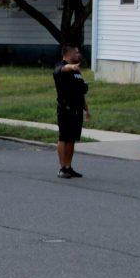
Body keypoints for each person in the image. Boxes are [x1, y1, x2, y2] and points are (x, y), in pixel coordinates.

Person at [53, 43, 91, 179]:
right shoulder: (60, 67)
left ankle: (69, 167)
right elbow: (63, 69)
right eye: (76, 52)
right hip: (65, 109)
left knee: (72, 139)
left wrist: (86, 109)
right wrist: (71, 66)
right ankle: (62, 168)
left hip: (77, 109)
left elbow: (81, 91)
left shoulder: (77, 72)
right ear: (68, 54)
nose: (78, 54)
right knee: (64, 137)